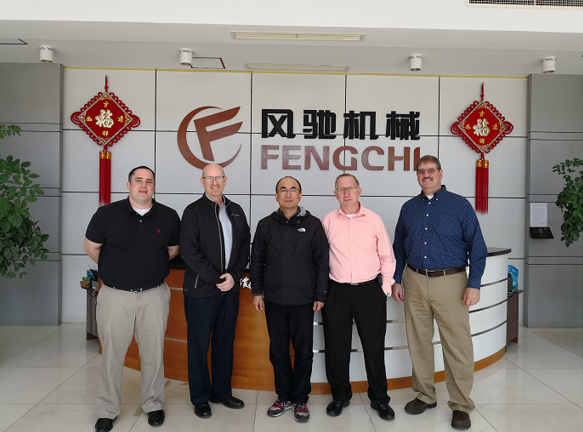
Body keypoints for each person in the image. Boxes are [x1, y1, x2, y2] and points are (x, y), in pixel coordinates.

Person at [392, 155, 487, 431]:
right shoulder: (409, 208)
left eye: (431, 170)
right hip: (414, 280)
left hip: (451, 282)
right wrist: (397, 279)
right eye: (421, 171)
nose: (426, 175)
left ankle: (461, 404)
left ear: (441, 173)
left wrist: (474, 283)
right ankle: (425, 394)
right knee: (418, 342)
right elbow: (399, 247)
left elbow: (477, 247)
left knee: (457, 345)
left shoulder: (459, 205)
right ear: (417, 175)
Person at [84, 166, 180, 432]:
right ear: (128, 185)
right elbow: (91, 247)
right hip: (115, 296)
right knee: (112, 356)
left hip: (154, 296)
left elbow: (172, 250)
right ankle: (107, 410)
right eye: (138, 180)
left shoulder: (169, 216)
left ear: (154, 186)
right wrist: (117, 268)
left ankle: (154, 404)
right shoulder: (107, 214)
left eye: (149, 181)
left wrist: (146, 266)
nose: (143, 185)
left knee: (153, 354)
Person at [250, 176, 329, 423]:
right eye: (282, 190)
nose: (288, 194)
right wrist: (256, 291)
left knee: (304, 353)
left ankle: (300, 399)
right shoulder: (265, 225)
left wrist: (320, 293)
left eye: (293, 189)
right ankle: (284, 397)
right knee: (278, 352)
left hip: (304, 300)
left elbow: (322, 261)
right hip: (274, 300)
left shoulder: (313, 224)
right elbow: (256, 261)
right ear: (276, 196)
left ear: (300, 195)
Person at [321, 174, 396, 421]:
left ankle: (380, 399)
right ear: (335, 193)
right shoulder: (327, 221)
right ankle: (340, 396)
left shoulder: (374, 219)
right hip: (336, 291)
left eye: (351, 188)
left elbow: (387, 256)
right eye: (341, 189)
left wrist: (385, 289)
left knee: (374, 347)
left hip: (369, 291)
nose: (346, 193)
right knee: (336, 347)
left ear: (359, 191)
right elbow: (319, 259)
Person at [180, 163, 251, 419]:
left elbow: (244, 246)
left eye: (218, 177)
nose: (214, 182)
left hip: (229, 291)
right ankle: (200, 398)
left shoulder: (236, 211)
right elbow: (189, 251)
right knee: (198, 346)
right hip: (201, 291)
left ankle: (222, 392)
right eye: (209, 178)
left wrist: (234, 276)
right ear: (202, 182)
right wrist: (217, 278)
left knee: (224, 343)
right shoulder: (193, 212)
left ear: (225, 180)